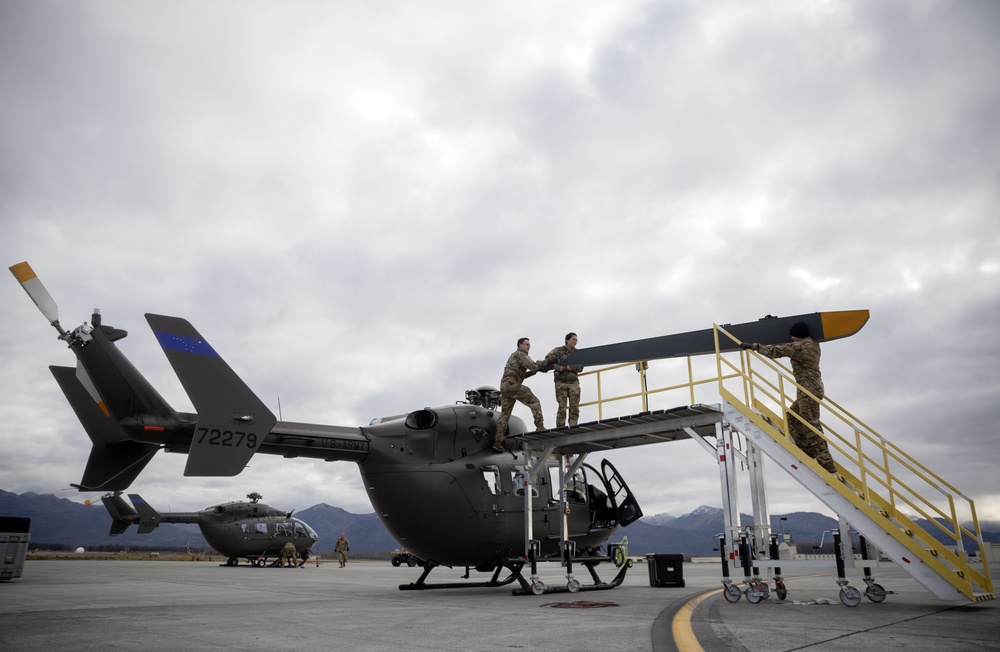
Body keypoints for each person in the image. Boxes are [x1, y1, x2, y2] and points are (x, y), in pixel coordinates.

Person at [742, 321, 837, 473]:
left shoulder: (802, 347)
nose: (791, 338)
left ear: (798, 335)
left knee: (811, 425)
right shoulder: (812, 345)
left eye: (793, 336)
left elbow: (777, 351)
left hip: (808, 391)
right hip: (809, 389)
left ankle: (826, 462)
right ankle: (808, 451)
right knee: (792, 417)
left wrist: (754, 347)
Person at [493, 338, 559, 452]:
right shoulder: (520, 354)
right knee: (534, 402)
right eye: (527, 344)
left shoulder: (515, 356)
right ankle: (539, 426)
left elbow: (524, 374)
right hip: (512, 386)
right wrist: (547, 361)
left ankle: (497, 443)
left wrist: (535, 371)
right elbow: (533, 366)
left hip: (506, 387)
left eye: (530, 345)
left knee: (505, 415)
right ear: (520, 345)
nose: (529, 347)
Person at [547, 332, 583, 428]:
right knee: (562, 407)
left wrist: (572, 368)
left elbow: (581, 367)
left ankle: (573, 426)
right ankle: (560, 427)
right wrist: (558, 367)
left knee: (574, 406)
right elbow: (547, 360)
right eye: (573, 339)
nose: (575, 341)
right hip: (561, 382)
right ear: (567, 340)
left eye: (576, 340)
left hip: (573, 382)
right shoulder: (558, 351)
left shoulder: (577, 353)